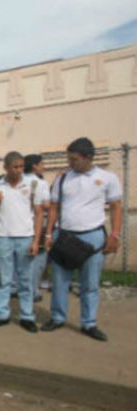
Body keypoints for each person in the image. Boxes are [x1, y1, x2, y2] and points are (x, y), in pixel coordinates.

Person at [43, 137, 123, 342]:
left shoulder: (107, 178)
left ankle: (89, 323)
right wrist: (49, 233)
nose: (70, 163)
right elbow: (53, 207)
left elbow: (116, 207)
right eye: (69, 159)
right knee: (60, 281)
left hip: (93, 237)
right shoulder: (63, 179)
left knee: (90, 284)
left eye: (74, 159)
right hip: (65, 236)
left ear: (88, 157)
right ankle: (57, 317)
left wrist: (114, 235)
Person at [0, 151, 45, 333]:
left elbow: (39, 213)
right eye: (15, 167)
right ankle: (2, 314)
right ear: (6, 167)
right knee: (4, 279)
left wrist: (36, 240)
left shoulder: (33, 184)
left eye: (21, 166)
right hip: (4, 238)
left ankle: (27, 316)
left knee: (25, 279)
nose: (19, 170)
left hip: (25, 237)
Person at [24, 154, 51, 302]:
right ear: (34, 166)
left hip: (21, 227)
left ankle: (22, 289)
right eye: (42, 164)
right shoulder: (40, 183)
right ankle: (33, 291)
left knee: (23, 262)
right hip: (37, 224)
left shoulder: (17, 181)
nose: (44, 167)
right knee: (38, 261)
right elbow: (46, 205)